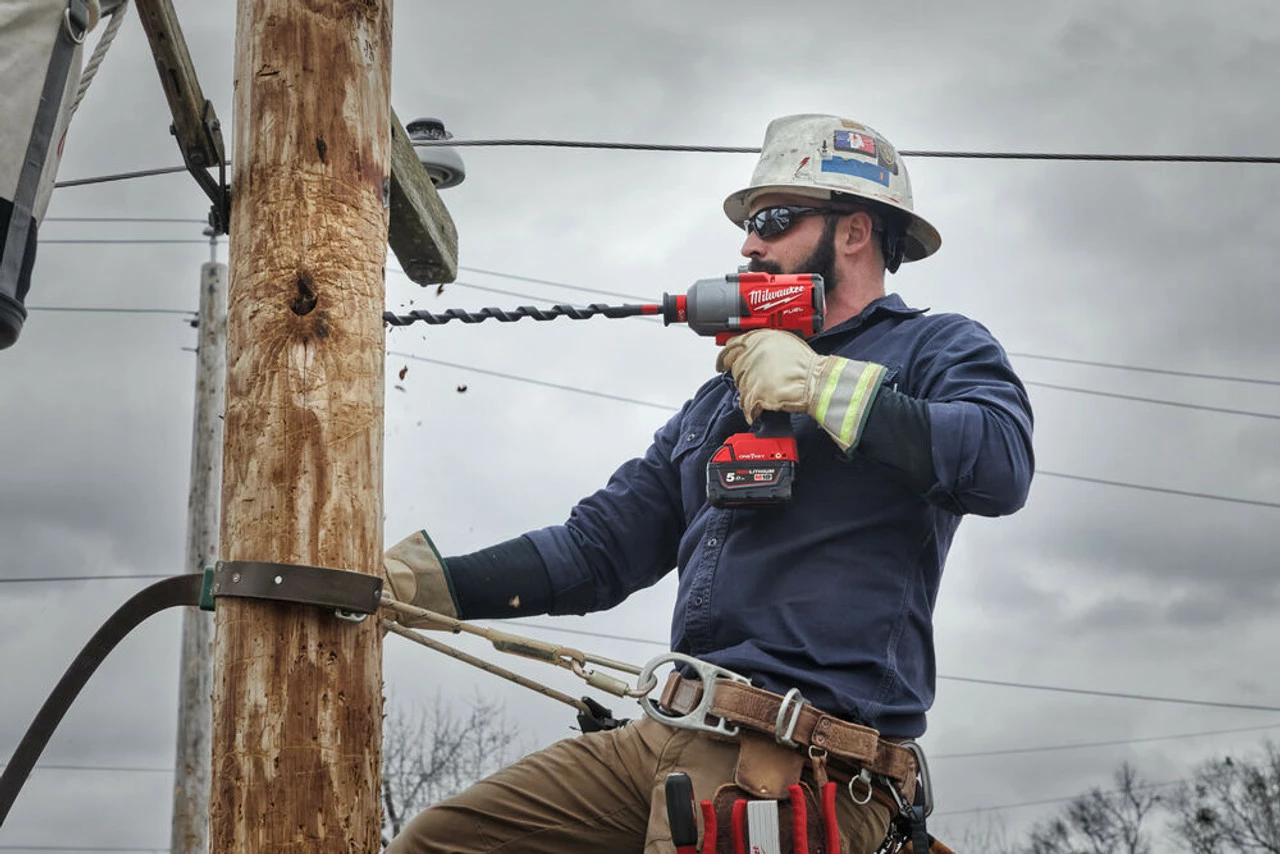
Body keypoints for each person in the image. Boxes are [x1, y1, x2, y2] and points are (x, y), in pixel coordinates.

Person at [382, 113, 1035, 854]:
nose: (748, 244)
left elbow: (1000, 465)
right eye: (750, 224)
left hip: (800, 763)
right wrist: (423, 587)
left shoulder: (935, 348)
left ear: (855, 232)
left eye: (775, 220)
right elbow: (597, 551)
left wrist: (824, 386)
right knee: (441, 842)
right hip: (663, 738)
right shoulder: (719, 401)